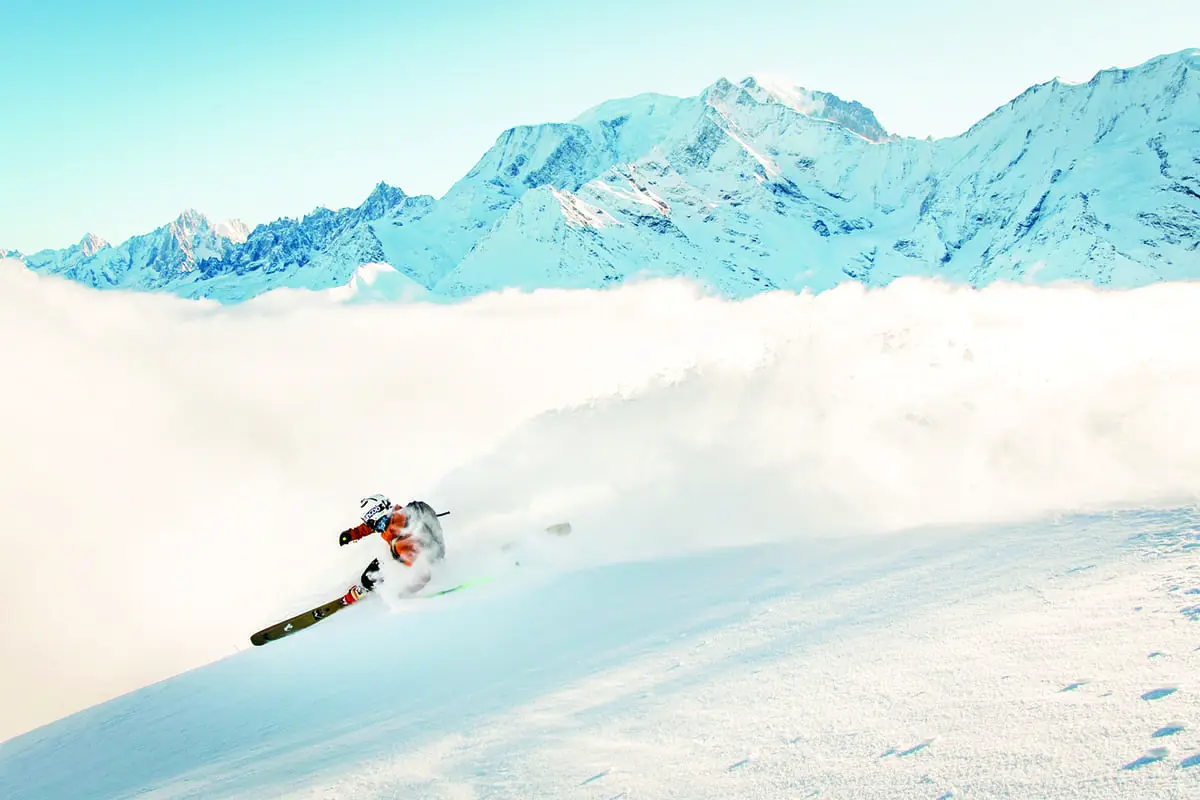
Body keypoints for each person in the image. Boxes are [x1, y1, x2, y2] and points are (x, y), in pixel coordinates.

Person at [338, 494, 446, 604]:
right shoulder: (395, 516)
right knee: (370, 575)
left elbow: (422, 571)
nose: (376, 529)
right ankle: (367, 585)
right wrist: (353, 534)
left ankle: (368, 587)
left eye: (375, 524)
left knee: (369, 578)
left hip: (413, 562)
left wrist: (406, 593)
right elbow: (371, 526)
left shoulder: (404, 539)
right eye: (373, 525)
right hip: (402, 555)